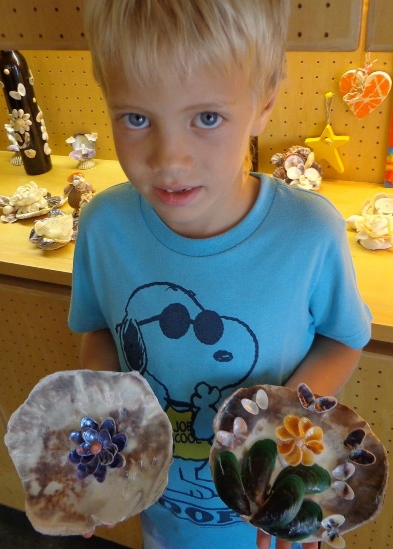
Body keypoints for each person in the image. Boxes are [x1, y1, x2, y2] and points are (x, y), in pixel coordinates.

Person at [68, 1, 372, 548]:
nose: (169, 159)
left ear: (263, 105)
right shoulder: (103, 226)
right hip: (166, 512)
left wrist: (281, 432)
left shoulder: (309, 233)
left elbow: (343, 338)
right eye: (136, 118)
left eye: (207, 118)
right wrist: (102, 430)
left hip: (275, 515)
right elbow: (99, 333)